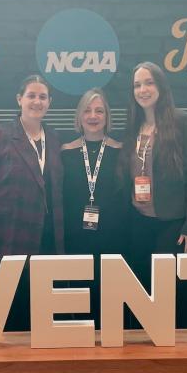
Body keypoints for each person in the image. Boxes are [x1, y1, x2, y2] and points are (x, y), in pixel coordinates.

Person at [0, 75, 64, 329]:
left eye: (42, 97)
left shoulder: (54, 139)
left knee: (40, 310)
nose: (37, 101)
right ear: (19, 99)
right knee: (8, 313)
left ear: (49, 102)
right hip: (7, 235)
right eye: (31, 95)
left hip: (46, 237)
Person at [120, 61, 187, 281]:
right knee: (140, 284)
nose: (143, 90)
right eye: (137, 85)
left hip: (172, 223)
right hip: (137, 219)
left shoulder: (184, 122)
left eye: (149, 83)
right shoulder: (132, 126)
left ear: (161, 86)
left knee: (167, 288)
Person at [60, 88, 126, 258]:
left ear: (107, 116)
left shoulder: (121, 151)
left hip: (115, 236)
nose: (93, 116)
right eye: (87, 110)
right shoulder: (65, 152)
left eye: (99, 111)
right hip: (75, 236)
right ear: (79, 116)